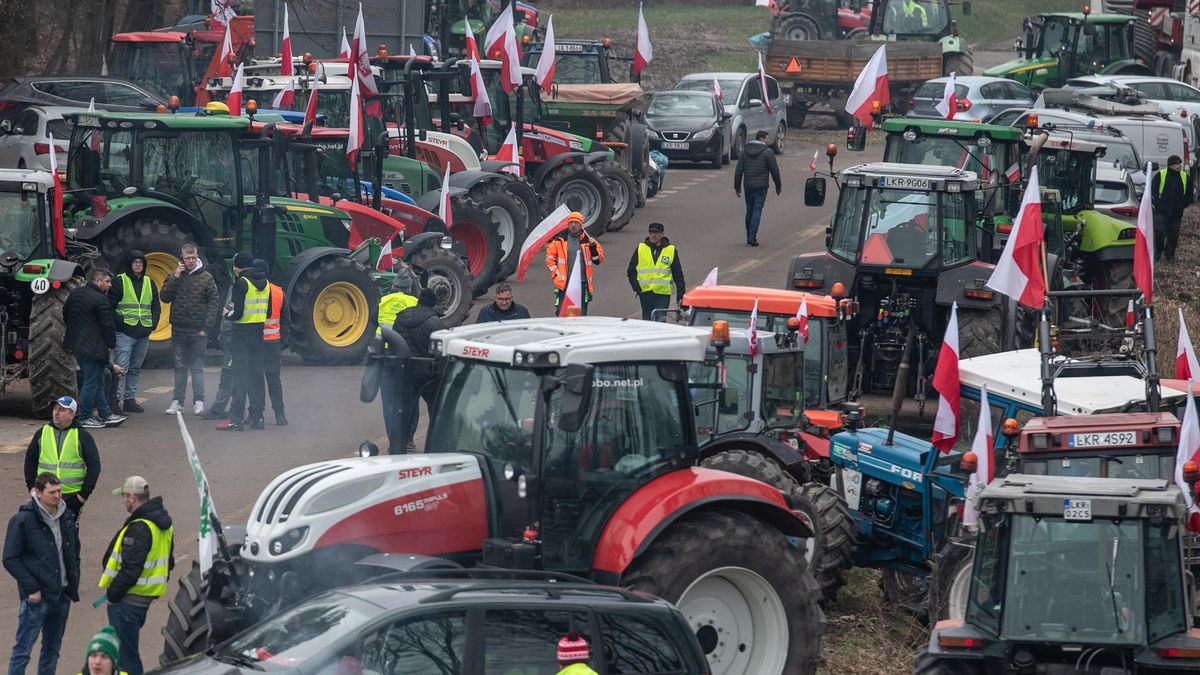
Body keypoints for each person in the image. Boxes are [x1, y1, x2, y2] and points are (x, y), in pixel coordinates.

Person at [4, 473, 81, 675]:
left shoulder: (66, 516)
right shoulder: (23, 520)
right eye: (52, 492)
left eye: (59, 491)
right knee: (23, 651)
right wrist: (32, 588)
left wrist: (73, 582)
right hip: (36, 600)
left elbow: (74, 551)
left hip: (61, 596)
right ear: (38, 492)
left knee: (52, 651)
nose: (57, 496)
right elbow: (10, 558)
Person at [99, 476, 174, 675]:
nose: (123, 500)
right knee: (128, 655)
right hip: (142, 599)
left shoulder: (140, 527)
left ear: (132, 497)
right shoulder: (161, 523)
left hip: (127, 602)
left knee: (126, 659)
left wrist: (113, 594)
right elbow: (170, 561)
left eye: (124, 496)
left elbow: (130, 569)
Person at [160, 243, 219, 416]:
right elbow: (164, 297)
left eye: (193, 257)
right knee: (180, 367)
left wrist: (206, 328)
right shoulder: (175, 275)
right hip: (178, 328)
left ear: (197, 257)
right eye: (188, 258)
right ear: (182, 258)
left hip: (198, 330)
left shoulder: (207, 278)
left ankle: (198, 402)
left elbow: (214, 304)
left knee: (197, 367)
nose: (191, 261)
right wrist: (175, 277)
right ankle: (177, 402)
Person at [64, 268, 126, 429]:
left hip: (77, 344)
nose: (110, 285)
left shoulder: (75, 294)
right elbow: (107, 324)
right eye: (107, 281)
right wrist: (111, 344)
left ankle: (105, 414)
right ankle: (84, 416)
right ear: (97, 281)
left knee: (97, 380)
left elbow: (65, 314)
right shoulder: (101, 299)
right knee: (91, 382)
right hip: (94, 347)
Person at [24, 396, 100, 519]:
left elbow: (94, 466)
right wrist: (32, 488)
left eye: (62, 410)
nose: (56, 413)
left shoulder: (82, 436)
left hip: (71, 497)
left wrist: (82, 496)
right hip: (44, 495)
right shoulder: (42, 433)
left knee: (68, 530)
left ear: (72, 415)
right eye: (55, 409)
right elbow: (30, 461)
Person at [219, 252, 271, 431]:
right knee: (257, 377)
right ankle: (258, 417)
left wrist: (227, 313)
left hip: (241, 335)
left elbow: (238, 313)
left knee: (240, 377)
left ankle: (236, 419)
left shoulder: (242, 283)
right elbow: (268, 312)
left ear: (237, 267)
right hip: (258, 335)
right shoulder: (266, 283)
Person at [393, 289, 446, 451]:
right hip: (428, 375)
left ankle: (404, 441)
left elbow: (395, 343)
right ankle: (436, 440)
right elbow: (440, 352)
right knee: (435, 408)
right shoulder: (434, 322)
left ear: (419, 300)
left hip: (406, 371)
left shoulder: (401, 317)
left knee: (406, 408)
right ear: (433, 303)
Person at [107, 251, 159, 414]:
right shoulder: (119, 281)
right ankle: (114, 401)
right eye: (135, 262)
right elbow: (110, 306)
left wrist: (153, 324)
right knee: (121, 369)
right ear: (129, 264)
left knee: (135, 368)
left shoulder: (149, 282)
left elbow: (155, 306)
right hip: (125, 333)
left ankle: (129, 400)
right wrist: (121, 323)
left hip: (143, 332)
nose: (138, 265)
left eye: (141, 262)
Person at [377, 268, 418, 454]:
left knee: (389, 402)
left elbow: (373, 323)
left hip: (385, 355)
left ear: (393, 286)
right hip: (407, 356)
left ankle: (394, 439)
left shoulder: (382, 301)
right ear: (408, 288)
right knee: (410, 398)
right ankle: (408, 439)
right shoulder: (414, 303)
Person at [545, 212, 604, 315]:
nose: (573, 225)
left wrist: (593, 248)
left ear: (581, 225)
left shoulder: (588, 240)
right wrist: (556, 275)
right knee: (562, 312)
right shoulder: (559, 240)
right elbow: (550, 259)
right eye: (571, 222)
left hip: (582, 283)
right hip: (564, 283)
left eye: (576, 223)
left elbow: (598, 260)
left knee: (581, 313)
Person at [626, 222, 685, 321]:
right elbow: (631, 270)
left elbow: (678, 274)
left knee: (660, 320)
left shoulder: (670, 250)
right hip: (645, 293)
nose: (654, 235)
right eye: (651, 232)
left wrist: (681, 295)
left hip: (662, 294)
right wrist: (637, 288)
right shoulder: (641, 248)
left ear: (662, 234)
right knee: (647, 321)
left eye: (656, 233)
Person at [733, 130, 782, 247]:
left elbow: (738, 171)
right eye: (767, 138)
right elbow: (774, 171)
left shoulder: (745, 152)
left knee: (749, 210)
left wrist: (737, 187)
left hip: (748, 186)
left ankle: (748, 235)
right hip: (761, 187)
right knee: (757, 210)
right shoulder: (768, 152)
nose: (768, 140)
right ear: (762, 139)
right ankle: (752, 236)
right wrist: (778, 186)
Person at [256, 259, 289, 426]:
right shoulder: (278, 292)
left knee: (256, 381)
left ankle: (258, 416)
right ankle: (280, 414)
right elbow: (286, 320)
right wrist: (282, 341)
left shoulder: (250, 290)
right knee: (274, 380)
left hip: (256, 344)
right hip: (273, 343)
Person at [1151, 154, 1192, 262]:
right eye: (1176, 164)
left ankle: (1170, 254)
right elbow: (1153, 191)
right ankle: (1158, 251)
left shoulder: (1185, 177)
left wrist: (1182, 205)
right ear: (1170, 165)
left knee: (1173, 236)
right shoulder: (1161, 175)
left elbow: (1189, 195)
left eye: (1179, 164)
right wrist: (1157, 204)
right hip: (1160, 211)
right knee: (1159, 232)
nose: (1179, 166)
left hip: (1176, 213)